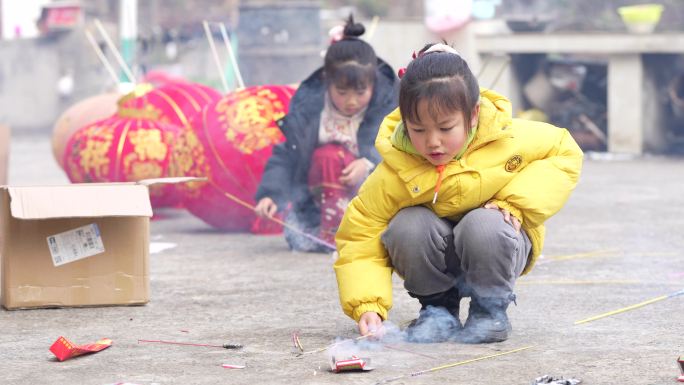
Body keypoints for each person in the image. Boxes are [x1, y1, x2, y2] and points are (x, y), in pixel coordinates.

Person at [334, 43, 583, 344]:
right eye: (419, 129)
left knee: (484, 224)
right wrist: (366, 304)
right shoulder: (394, 170)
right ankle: (438, 310)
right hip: (438, 259)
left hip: (496, 247)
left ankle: (489, 310)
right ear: (404, 120)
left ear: (473, 114)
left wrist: (515, 203)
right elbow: (360, 236)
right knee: (407, 226)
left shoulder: (509, 137)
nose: (433, 142)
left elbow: (565, 151)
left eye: (445, 127)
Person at [254, 16, 399, 252]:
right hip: (319, 201)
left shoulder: (388, 109)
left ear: (374, 83)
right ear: (326, 82)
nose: (351, 101)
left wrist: (369, 163)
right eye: (342, 92)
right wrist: (270, 195)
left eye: (360, 92)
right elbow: (287, 155)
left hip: (374, 197)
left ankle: (359, 229)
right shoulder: (312, 113)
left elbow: (402, 153)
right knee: (328, 156)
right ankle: (330, 229)